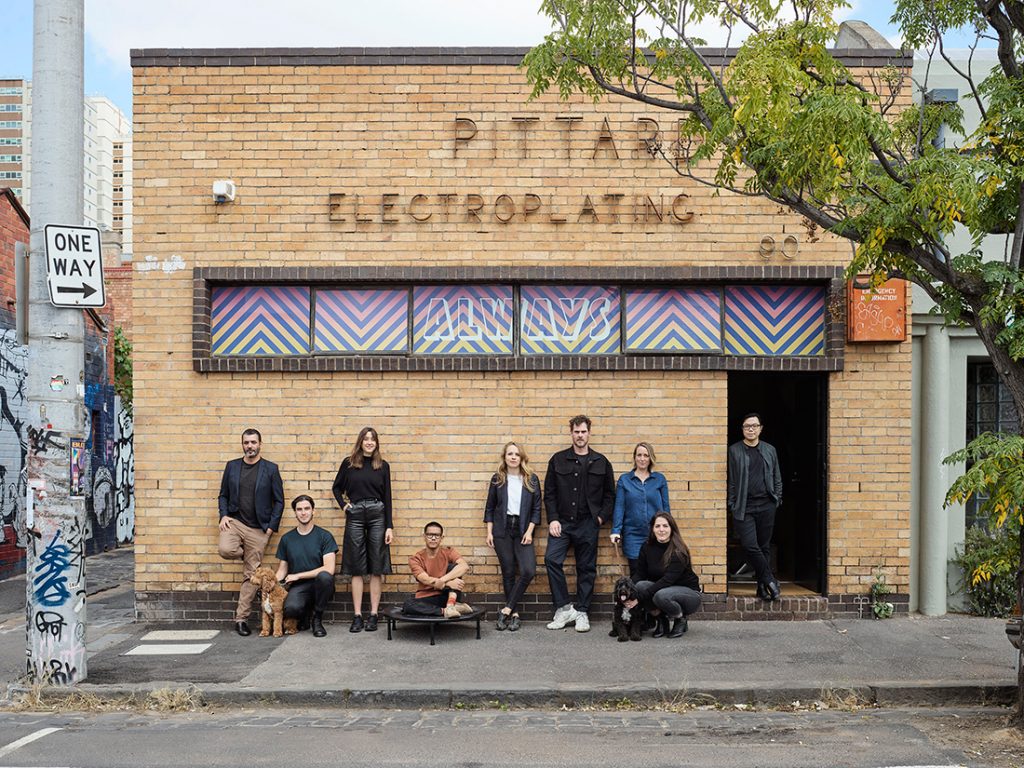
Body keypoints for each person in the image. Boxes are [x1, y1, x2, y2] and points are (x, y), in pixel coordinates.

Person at [543, 414, 615, 633]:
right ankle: (564, 608)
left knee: (586, 569)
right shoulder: (558, 459)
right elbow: (550, 493)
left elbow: (610, 495)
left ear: (589, 433)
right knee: (551, 560)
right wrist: (553, 518)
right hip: (562, 523)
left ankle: (582, 612)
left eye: (584, 431)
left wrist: (600, 519)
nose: (580, 435)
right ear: (571, 433)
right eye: (576, 432)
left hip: (588, 524)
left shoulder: (601, 462)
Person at [217, 428, 284, 637]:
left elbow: (279, 501)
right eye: (246, 442)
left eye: (253, 442)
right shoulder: (232, 466)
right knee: (226, 549)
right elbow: (223, 495)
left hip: (259, 530)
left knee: (250, 576)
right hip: (235, 523)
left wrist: (271, 528)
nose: (250, 446)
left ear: (260, 444)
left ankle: (241, 619)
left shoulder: (271, 469)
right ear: (242, 444)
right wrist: (223, 514)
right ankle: (245, 557)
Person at [332, 426, 394, 633]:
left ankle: (374, 615)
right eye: (366, 439)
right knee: (356, 567)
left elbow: (388, 497)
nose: (369, 442)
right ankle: (357, 615)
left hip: (378, 513)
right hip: (355, 514)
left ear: (376, 443)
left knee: (376, 566)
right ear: (360, 441)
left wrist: (389, 526)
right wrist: (344, 505)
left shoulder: (382, 466)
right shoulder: (349, 464)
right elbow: (336, 487)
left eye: (372, 439)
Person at [484, 441, 542, 631]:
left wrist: (529, 531)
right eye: (510, 454)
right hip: (502, 529)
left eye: (517, 454)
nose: (513, 457)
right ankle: (514, 615)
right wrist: (489, 532)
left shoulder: (531, 479)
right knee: (508, 572)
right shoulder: (498, 479)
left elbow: (536, 509)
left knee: (528, 570)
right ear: (505, 457)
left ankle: (506, 610)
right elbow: (490, 507)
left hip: (523, 528)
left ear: (522, 457)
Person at [727, 412, 783, 601]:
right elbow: (732, 481)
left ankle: (761, 587)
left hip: (767, 504)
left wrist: (777, 499)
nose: (751, 429)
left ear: (760, 428)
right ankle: (770, 580)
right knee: (751, 546)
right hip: (744, 506)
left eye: (754, 426)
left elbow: (777, 477)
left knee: (764, 546)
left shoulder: (770, 450)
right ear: (742, 429)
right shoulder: (734, 450)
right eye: (747, 426)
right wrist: (732, 504)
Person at [275, 495, 338, 638]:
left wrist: (298, 575)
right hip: (298, 587)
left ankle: (317, 619)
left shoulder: (324, 536)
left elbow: (329, 569)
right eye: (299, 509)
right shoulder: (287, 539)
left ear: (313, 511)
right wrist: (270, 585)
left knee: (325, 577)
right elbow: (282, 571)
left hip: (320, 585)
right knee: (290, 609)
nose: (303, 513)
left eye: (307, 509)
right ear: (295, 513)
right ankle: (304, 614)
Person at [632, 512, 702, 638]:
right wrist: (629, 591)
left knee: (661, 595)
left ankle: (680, 618)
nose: (661, 530)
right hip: (664, 590)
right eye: (657, 526)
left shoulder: (678, 550)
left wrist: (639, 598)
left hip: (688, 595)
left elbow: (666, 581)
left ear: (672, 528)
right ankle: (660, 619)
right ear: (652, 529)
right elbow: (640, 573)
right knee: (640, 585)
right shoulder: (646, 546)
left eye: (665, 526)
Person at [610, 442, 670, 579]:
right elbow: (619, 507)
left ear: (650, 458)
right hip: (633, 534)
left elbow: (666, 508)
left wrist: (668, 530)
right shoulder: (625, 480)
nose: (642, 459)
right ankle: (638, 600)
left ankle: (653, 600)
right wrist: (616, 530)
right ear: (634, 457)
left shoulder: (659, 479)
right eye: (639, 455)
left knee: (656, 572)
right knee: (637, 574)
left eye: (646, 455)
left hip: (655, 535)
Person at [402, 522, 474, 618]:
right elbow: (425, 579)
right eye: (429, 535)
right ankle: (446, 610)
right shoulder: (416, 558)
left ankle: (450, 605)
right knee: (408, 605)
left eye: (436, 535)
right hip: (426, 597)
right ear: (424, 536)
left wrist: (443, 580)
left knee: (454, 567)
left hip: (448, 595)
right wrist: (448, 583)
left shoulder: (449, 552)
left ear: (441, 537)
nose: (433, 538)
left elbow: (464, 566)